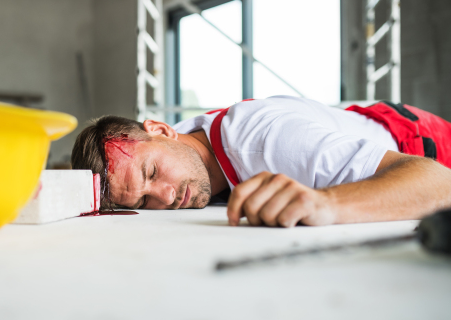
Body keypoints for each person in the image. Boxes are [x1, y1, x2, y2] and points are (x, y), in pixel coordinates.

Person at [71, 96, 451, 227]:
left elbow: (440, 184)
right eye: (142, 201)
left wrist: (329, 202)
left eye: (151, 173)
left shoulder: (270, 144)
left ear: (161, 129)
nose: (166, 196)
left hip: (422, 144)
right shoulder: (180, 141)